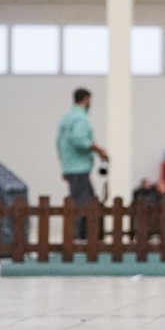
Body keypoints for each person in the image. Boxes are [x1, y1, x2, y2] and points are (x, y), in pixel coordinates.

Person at [56, 87, 108, 240]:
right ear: (86, 100)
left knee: (88, 199)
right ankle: (79, 237)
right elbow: (79, 140)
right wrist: (99, 150)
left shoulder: (66, 118)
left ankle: (85, 235)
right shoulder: (80, 118)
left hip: (70, 166)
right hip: (79, 168)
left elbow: (59, 143)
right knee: (82, 203)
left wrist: (64, 166)